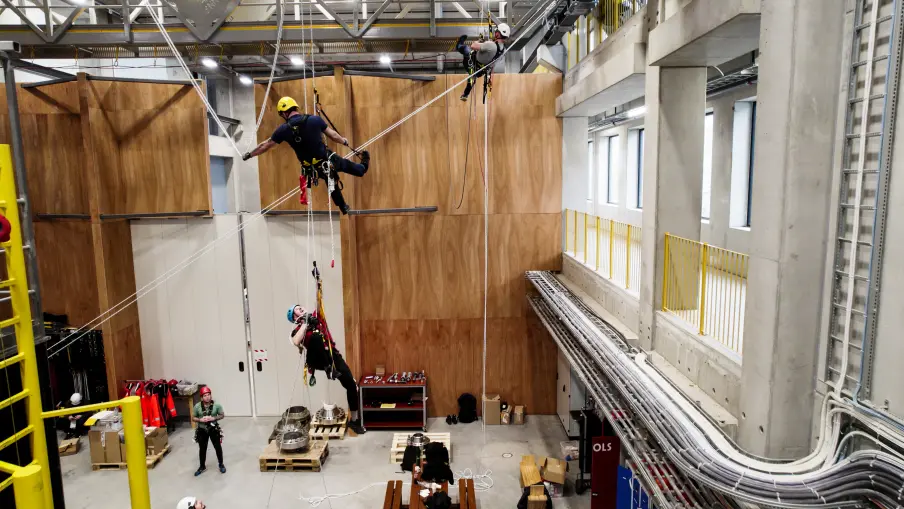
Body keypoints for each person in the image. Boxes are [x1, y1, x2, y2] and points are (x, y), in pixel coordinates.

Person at [242, 97, 370, 214]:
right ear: (295, 108)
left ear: (284, 113)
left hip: (311, 168)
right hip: (328, 160)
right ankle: (364, 162)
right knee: (353, 171)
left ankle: (343, 206)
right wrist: (344, 141)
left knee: (329, 178)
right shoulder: (314, 120)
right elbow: (333, 135)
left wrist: (250, 154)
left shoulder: (283, 130)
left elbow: (265, 145)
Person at [288, 304, 366, 435]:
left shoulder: (316, 317)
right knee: (316, 337)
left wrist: (318, 284)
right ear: (294, 317)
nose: (300, 308)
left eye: (301, 307)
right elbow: (296, 341)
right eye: (297, 309)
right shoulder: (297, 330)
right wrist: (304, 324)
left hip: (332, 356)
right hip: (316, 359)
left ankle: (354, 420)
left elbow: (319, 303)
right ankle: (328, 369)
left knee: (352, 386)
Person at [455, 23, 511, 102]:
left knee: (465, 48)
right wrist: (490, 77)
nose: (495, 32)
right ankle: (465, 95)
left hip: (470, 62)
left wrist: (479, 41)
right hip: (480, 71)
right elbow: (492, 65)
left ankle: (458, 46)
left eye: (496, 31)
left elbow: (473, 45)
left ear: (498, 34)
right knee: (472, 77)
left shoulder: (491, 45)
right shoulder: (503, 51)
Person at [191, 386, 226, 476]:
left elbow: (222, 415)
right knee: (202, 449)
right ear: (201, 397)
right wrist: (200, 420)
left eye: (209, 395)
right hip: (202, 430)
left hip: (213, 428)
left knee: (217, 447)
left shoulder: (216, 406)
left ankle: (221, 464)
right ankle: (202, 466)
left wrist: (213, 418)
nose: (207, 397)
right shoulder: (197, 406)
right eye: (205, 395)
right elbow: (193, 418)